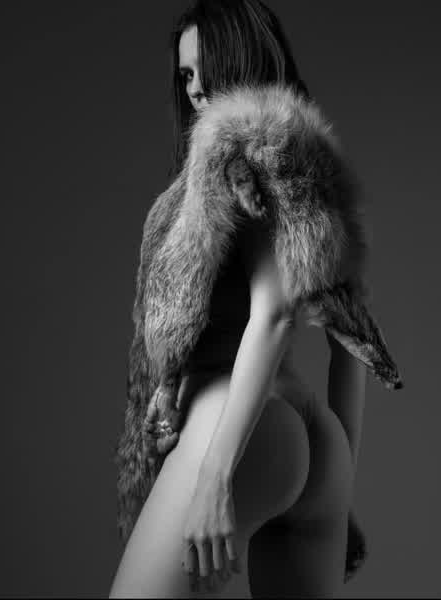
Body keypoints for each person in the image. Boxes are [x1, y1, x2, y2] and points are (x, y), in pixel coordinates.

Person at [109, 0, 367, 597]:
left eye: (207, 69)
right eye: (185, 75)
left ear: (243, 59)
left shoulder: (240, 153)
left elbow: (273, 315)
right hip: (317, 439)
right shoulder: (310, 166)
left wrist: (215, 477)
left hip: (239, 430)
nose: (195, 89)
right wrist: (338, 482)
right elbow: (351, 342)